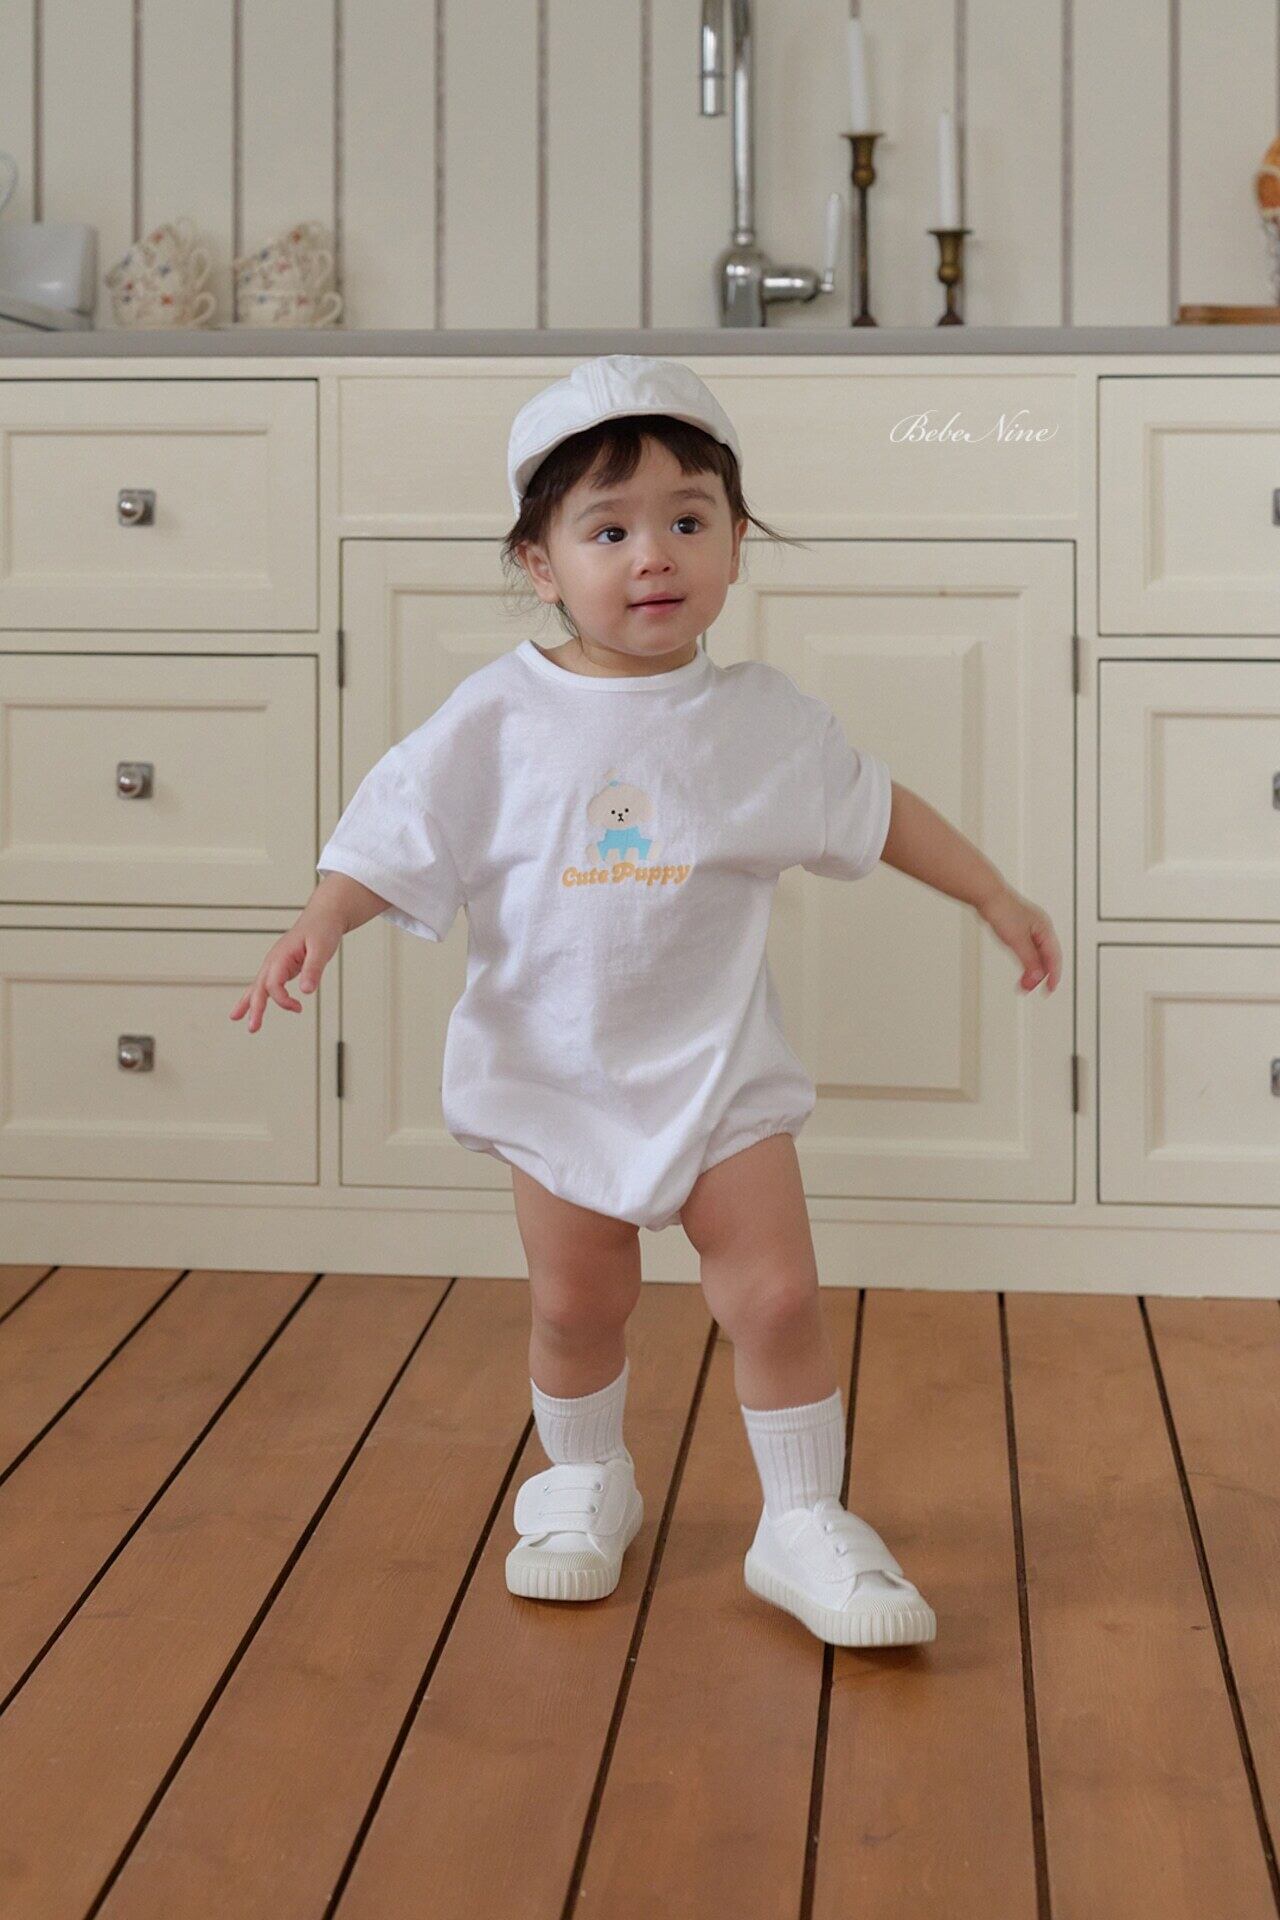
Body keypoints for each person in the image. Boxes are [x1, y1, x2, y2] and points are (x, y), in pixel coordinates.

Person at [229, 355, 1062, 1650]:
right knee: (577, 1306)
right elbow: (397, 828)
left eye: (688, 519)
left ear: (736, 541)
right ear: (541, 563)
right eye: (608, 530)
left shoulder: (761, 720)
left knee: (776, 1299)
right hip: (555, 1073)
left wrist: (992, 892)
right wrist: (323, 918)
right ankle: (583, 1483)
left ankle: (801, 1520)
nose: (654, 554)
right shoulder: (499, 716)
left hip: (719, 1073)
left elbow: (877, 810)